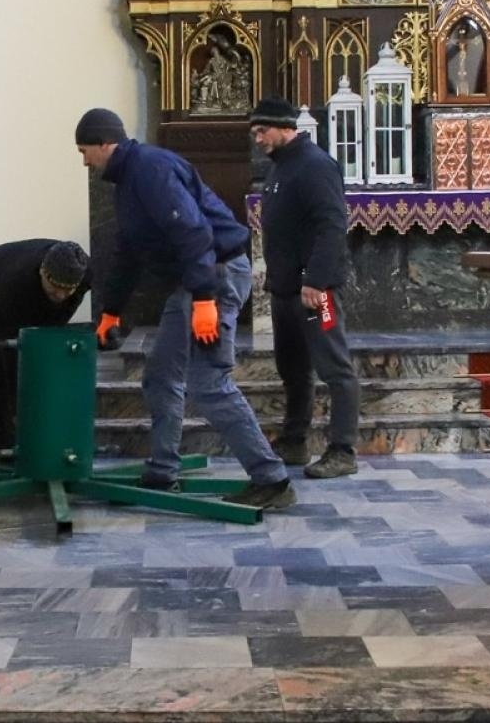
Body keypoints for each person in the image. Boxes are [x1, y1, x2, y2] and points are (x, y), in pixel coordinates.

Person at [74, 107, 295, 510]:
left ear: (106, 143)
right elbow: (127, 251)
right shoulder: (127, 181)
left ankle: (272, 479)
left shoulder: (149, 169)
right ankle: (162, 472)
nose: (84, 160)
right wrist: (111, 312)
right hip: (194, 283)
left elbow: (193, 231)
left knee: (208, 382)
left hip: (215, 275)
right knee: (160, 377)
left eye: (85, 150)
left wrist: (207, 300)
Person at [249, 97, 360, 479]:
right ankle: (295, 441)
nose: (257, 138)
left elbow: (332, 225)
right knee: (293, 370)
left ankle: (342, 450)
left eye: (262, 130)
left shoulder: (315, 166)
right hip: (285, 293)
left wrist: (316, 280)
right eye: (254, 131)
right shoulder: (280, 169)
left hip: (318, 295)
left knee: (335, 367)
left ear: (284, 127)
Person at [0, 239, 92, 459]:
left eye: (68, 291)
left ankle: (34, 435)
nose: (61, 296)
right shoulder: (17, 283)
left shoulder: (84, 272)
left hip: (15, 300)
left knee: (40, 360)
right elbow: (18, 345)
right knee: (1, 364)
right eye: (55, 289)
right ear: (43, 272)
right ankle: (3, 443)